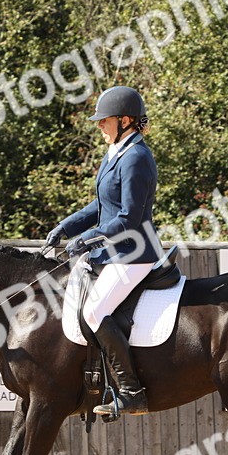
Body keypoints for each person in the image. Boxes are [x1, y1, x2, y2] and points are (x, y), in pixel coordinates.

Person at [45, 85, 163, 418]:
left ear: (125, 120)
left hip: (133, 253)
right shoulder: (116, 152)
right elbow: (101, 205)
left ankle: (132, 392)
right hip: (112, 252)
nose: (99, 126)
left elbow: (128, 217)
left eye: (104, 121)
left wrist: (89, 238)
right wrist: (66, 227)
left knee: (94, 313)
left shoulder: (137, 157)